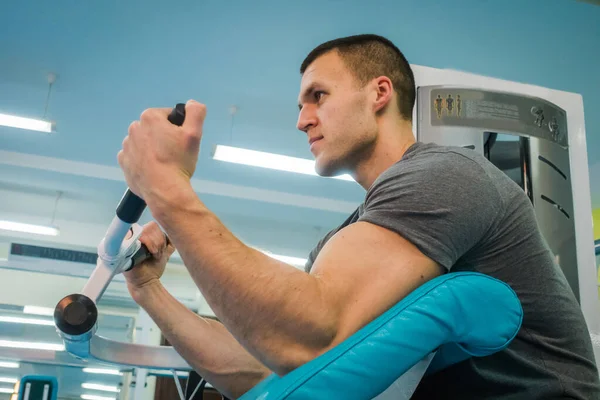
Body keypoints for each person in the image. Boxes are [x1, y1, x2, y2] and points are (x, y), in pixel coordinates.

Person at [117, 34, 600, 399]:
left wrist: (165, 187)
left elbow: (309, 339)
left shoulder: (445, 175)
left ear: (379, 92)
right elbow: (269, 365)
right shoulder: (345, 237)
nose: (301, 119)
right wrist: (149, 292)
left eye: (318, 96)